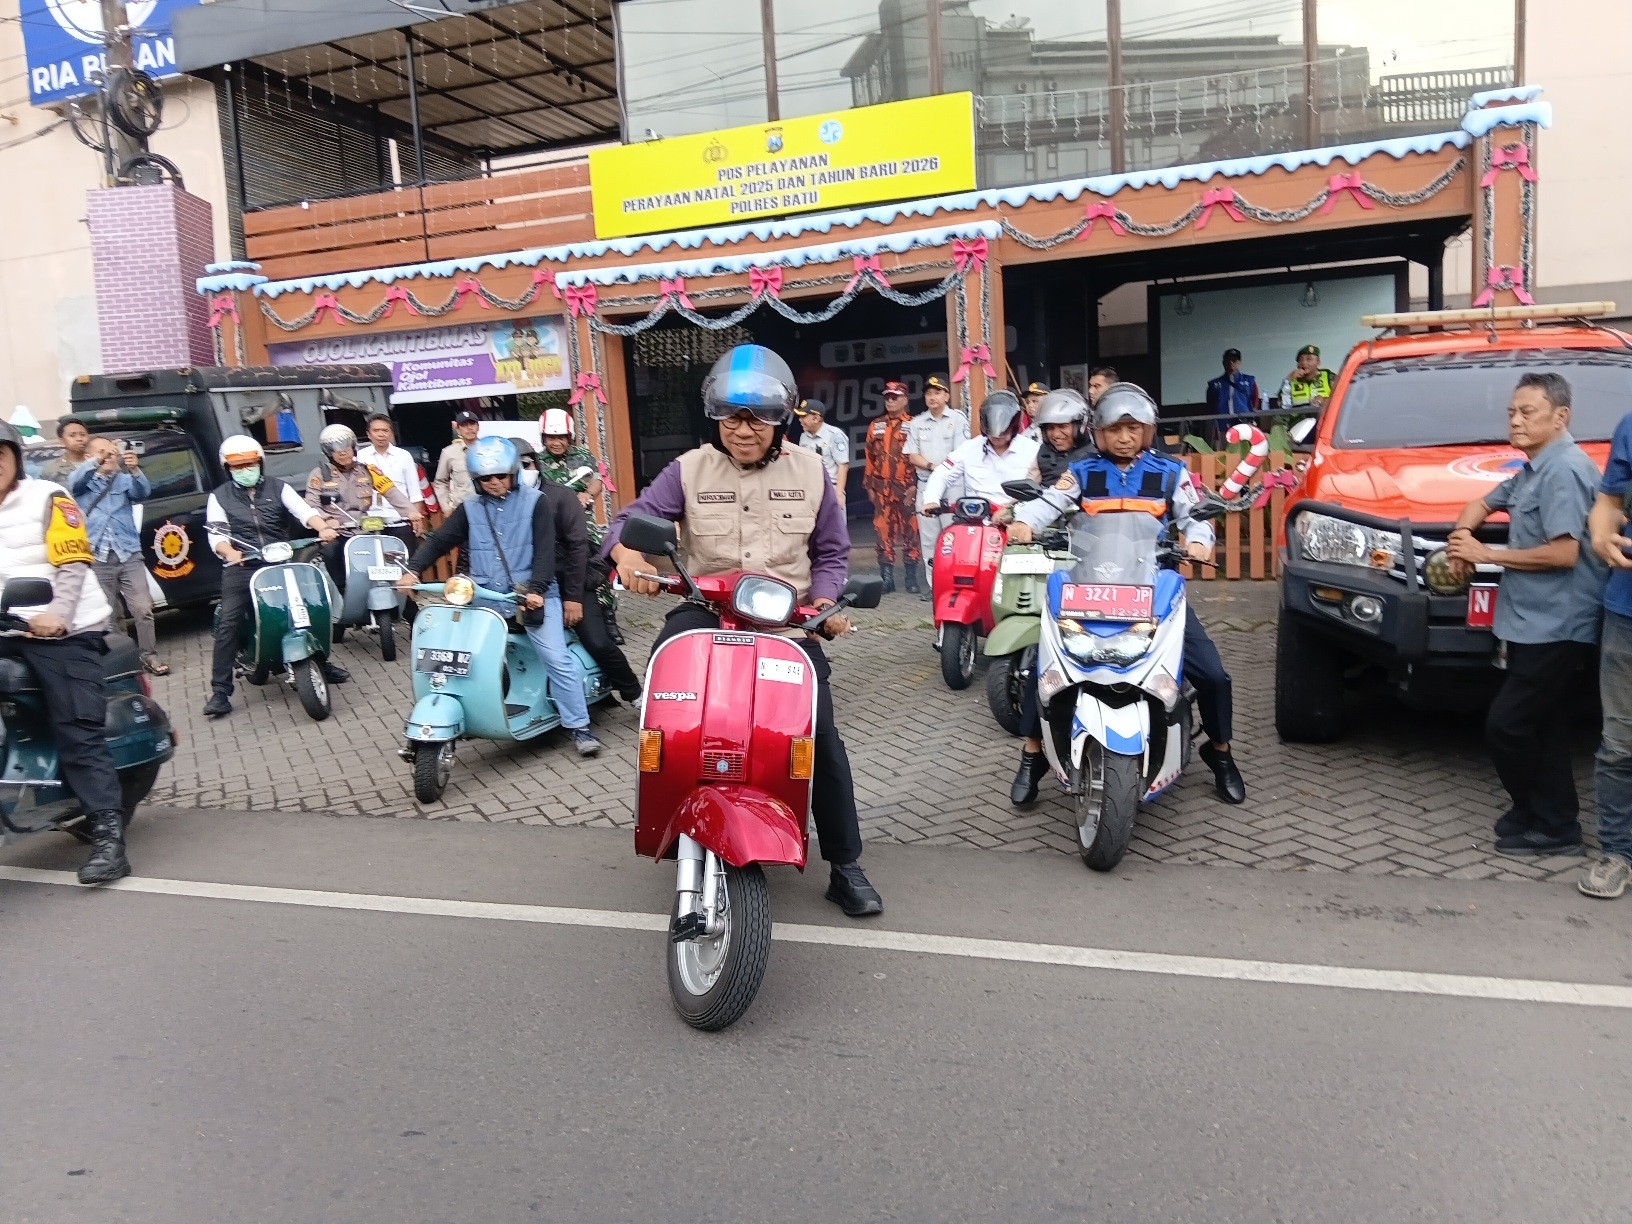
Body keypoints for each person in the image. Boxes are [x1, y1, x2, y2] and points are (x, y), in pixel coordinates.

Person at [605, 343, 883, 918]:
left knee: (819, 735)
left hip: (786, 623)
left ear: (780, 420)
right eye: (732, 417)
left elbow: (830, 551)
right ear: (716, 419)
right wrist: (626, 555)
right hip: (702, 610)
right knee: (666, 708)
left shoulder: (811, 471)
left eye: (757, 416)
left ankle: (845, 863)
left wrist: (826, 603)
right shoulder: (688, 468)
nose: (744, 429)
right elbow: (630, 521)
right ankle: (674, 813)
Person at [1008, 382, 1246, 806]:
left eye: (1133, 428)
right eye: (1115, 429)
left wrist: (1198, 538)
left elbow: (1195, 516)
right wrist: (1025, 521)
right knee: (1042, 670)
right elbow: (1048, 502)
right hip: (1088, 588)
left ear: (1148, 431)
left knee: (1212, 674)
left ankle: (1221, 753)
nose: (1124, 437)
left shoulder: (1169, 472)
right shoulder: (1081, 471)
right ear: (1098, 432)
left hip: (1153, 592)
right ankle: (1032, 754)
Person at [1446, 373, 1607, 857]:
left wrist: (1485, 555)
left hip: (1560, 623)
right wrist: (1460, 541)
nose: (1515, 421)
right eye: (1512, 412)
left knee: (1508, 724)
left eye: (1527, 412)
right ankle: (1543, 815)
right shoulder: (1535, 467)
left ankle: (1552, 821)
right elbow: (1481, 501)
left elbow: (1563, 554)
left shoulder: (1565, 471)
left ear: (1561, 416)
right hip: (1530, 621)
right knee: (1544, 724)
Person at [399, 436, 602, 756]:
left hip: (532, 596)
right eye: (486, 478)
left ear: (513, 473)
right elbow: (440, 540)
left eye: (500, 476)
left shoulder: (537, 503)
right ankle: (441, 719)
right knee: (453, 654)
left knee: (556, 658)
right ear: (477, 480)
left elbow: (545, 553)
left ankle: (579, 726)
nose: (494, 483)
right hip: (484, 598)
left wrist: (536, 590)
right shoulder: (469, 509)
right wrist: (412, 570)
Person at [0, 420, 131, 883]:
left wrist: (57, 613)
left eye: (0, 453)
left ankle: (108, 838)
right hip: (6, 626)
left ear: (15, 456)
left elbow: (72, 561)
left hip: (65, 628)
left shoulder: (47, 497)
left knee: (77, 728)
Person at [203, 436, 344, 718]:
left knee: (312, 605)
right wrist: (229, 552)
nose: (245, 469)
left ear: (260, 463)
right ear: (227, 468)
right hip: (243, 565)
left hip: (282, 558)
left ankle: (321, 661)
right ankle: (220, 691)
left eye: (250, 463)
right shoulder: (218, 497)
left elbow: (305, 513)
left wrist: (322, 527)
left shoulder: (279, 487)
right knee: (229, 621)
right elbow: (216, 535)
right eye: (238, 466)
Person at [1582, 405, 1632, 897]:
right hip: (1627, 610)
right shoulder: (1629, 425)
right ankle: (1618, 853)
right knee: (1620, 745)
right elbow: (1608, 499)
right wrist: (1600, 532)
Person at [69, 436, 166, 676]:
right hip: (98, 556)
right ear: (88, 457)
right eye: (102, 452)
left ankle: (149, 656)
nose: (110, 456)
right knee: (108, 614)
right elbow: (73, 483)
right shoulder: (84, 484)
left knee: (143, 609)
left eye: (112, 452)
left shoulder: (122, 480)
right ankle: (122, 660)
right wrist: (99, 458)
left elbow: (142, 492)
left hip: (128, 553)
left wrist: (134, 470)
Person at [537, 407, 625, 649]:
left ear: (570, 436)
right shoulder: (536, 461)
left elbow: (597, 481)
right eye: (551, 437)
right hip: (549, 524)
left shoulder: (583, 456)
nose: (556, 442)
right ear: (544, 438)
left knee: (599, 563)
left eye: (561, 437)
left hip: (580, 522)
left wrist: (587, 494)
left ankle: (608, 618)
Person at [305, 424, 413, 592]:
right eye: (336, 449)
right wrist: (327, 521)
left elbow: (391, 492)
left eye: (346, 447)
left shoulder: (368, 471)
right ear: (328, 452)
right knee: (330, 549)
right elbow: (311, 505)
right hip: (338, 531)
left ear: (354, 447)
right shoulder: (318, 475)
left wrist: (411, 512)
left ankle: (404, 594)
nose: (342, 452)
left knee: (401, 539)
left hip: (366, 529)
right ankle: (343, 590)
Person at [920, 389, 1041, 515]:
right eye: (993, 435)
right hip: (975, 519)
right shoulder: (969, 448)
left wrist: (1011, 510)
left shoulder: (1032, 450)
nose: (998, 437)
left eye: (1004, 433)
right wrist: (931, 500)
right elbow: (942, 474)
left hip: (1015, 520)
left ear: (1014, 425)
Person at [903, 374, 969, 597]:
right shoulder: (916, 422)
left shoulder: (958, 419)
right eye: (928, 393)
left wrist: (943, 471)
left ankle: (957, 584)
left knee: (954, 535)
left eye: (937, 392)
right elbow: (912, 455)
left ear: (947, 395)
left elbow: (961, 453)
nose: (932, 397)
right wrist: (933, 466)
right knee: (930, 539)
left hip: (953, 487)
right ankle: (936, 586)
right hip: (925, 485)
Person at [863, 379, 920, 594]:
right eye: (887, 397)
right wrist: (869, 485)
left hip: (907, 490)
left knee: (911, 534)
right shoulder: (875, 425)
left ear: (905, 399)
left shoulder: (915, 424)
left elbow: (919, 457)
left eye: (895, 397)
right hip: (881, 490)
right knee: (883, 535)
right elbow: (869, 457)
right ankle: (887, 579)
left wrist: (916, 486)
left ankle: (911, 578)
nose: (890, 401)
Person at [355, 412, 424, 554]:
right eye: (376, 431)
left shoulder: (403, 456)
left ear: (391, 433)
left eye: (385, 430)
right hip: (371, 520)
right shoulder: (360, 457)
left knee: (405, 565)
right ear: (368, 434)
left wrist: (416, 519)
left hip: (400, 519)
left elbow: (415, 492)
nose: (381, 434)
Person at [1032, 387, 1096, 486]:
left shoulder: (1096, 456)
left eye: (1063, 426)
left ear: (1080, 427)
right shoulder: (1044, 452)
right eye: (1050, 428)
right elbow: (1030, 482)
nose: (1056, 434)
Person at [793, 398, 850, 506]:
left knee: (833, 523)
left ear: (816, 418)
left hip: (830, 489)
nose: (800, 420)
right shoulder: (803, 436)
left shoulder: (835, 435)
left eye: (803, 416)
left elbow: (843, 466)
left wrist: (838, 494)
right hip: (809, 490)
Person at [432, 410, 481, 513]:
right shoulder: (449, 452)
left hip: (487, 506)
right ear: (458, 430)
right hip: (462, 508)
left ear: (478, 427)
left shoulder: (488, 448)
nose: (469, 428)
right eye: (464, 425)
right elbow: (440, 481)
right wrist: (446, 507)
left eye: (472, 424)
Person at [1207, 349, 1260, 418]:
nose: (1231, 363)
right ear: (1223, 363)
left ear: (1239, 362)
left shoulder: (1249, 381)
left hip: (1244, 423)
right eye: (1228, 360)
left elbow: (1255, 400)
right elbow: (1210, 406)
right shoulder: (1214, 384)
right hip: (1221, 424)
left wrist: (1251, 415)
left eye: (1234, 360)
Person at [1281, 344, 1336, 410]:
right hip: (1298, 419)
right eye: (1301, 360)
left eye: (1309, 359)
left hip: (1323, 418)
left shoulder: (1328, 376)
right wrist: (1288, 379)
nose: (1304, 363)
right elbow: (1280, 404)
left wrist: (1324, 400)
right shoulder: (1291, 379)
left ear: (1318, 362)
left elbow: (1343, 398)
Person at [40, 418, 91, 483]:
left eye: (82, 435)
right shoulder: (51, 468)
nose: (79, 439)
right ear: (62, 441)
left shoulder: (99, 463)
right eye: (72, 435)